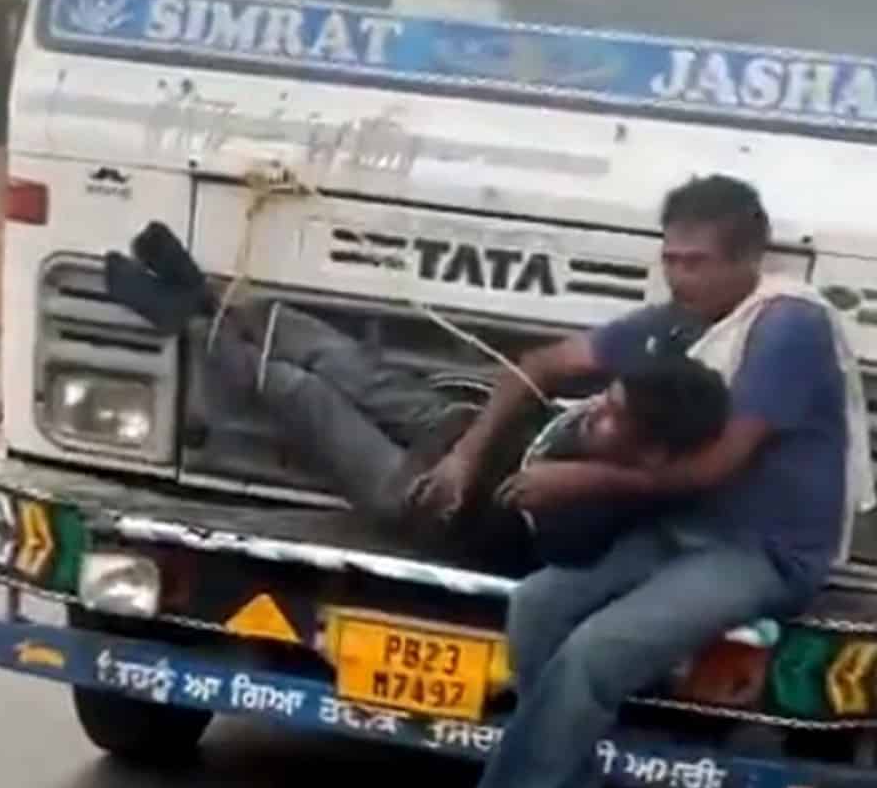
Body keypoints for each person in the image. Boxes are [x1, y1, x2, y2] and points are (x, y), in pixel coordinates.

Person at [418, 174, 868, 788]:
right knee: (538, 607)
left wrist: (578, 480)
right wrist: (467, 454)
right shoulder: (676, 324)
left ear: (748, 259)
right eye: (671, 259)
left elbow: (715, 467)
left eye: (698, 262)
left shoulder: (786, 326)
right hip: (677, 528)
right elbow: (540, 366)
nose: (680, 276)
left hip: (762, 549)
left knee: (596, 651)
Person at [103, 220, 729, 577]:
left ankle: (181, 316)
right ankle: (209, 296)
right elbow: (534, 371)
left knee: (302, 393)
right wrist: (468, 448)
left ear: (650, 453)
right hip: (453, 431)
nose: (599, 412)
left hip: (424, 498)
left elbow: (532, 506)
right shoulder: (630, 409)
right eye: (606, 400)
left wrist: (464, 469)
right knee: (331, 351)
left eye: (616, 419)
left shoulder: (589, 514)